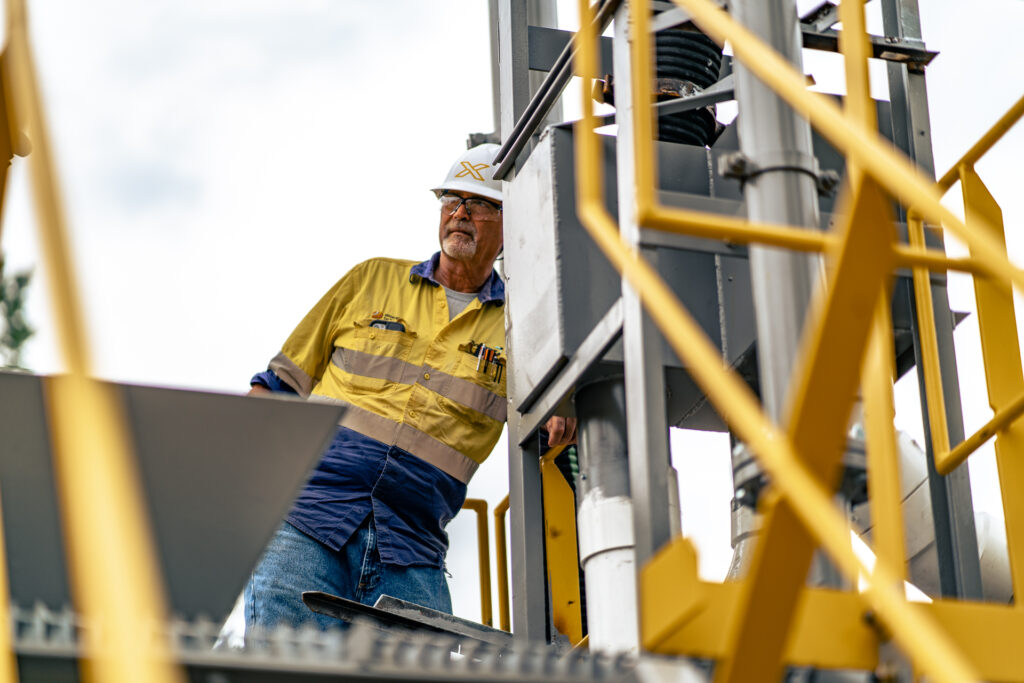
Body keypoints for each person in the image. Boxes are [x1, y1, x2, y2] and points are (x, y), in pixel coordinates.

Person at [244, 143, 576, 632]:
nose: (459, 214)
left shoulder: (521, 325)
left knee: (419, 667)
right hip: (308, 519)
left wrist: (562, 404)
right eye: (451, 200)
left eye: (478, 204)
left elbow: (549, 422)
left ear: (512, 223)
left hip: (411, 546)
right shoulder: (372, 279)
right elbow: (278, 386)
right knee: (282, 663)